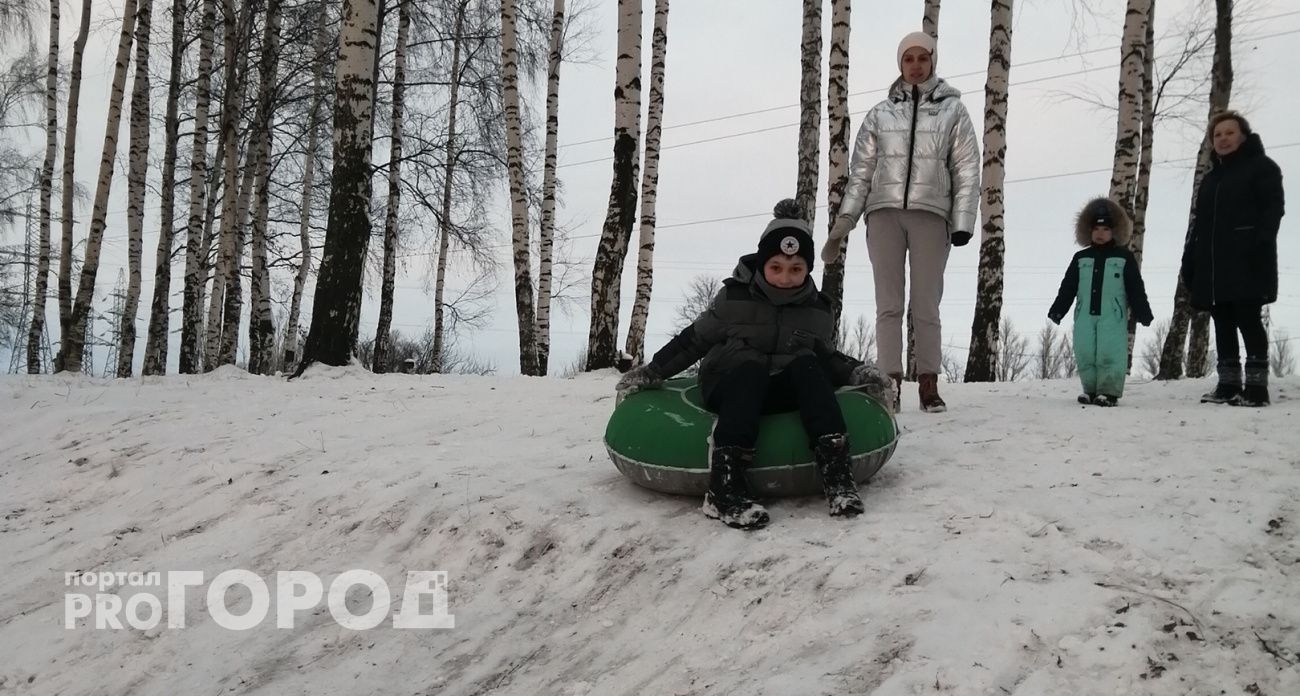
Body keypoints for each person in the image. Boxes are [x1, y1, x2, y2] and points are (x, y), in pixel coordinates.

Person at [617, 199, 896, 530]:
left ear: (808, 270)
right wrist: (653, 371)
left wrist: (857, 371)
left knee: (808, 365)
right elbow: (694, 340)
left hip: (779, 389)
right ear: (762, 263)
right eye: (776, 267)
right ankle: (724, 489)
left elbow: (825, 355)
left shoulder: (817, 310)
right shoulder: (734, 299)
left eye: (796, 269)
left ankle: (837, 475)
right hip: (730, 385)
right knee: (750, 368)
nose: (785, 278)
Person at [819, 30, 980, 414]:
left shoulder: (953, 111)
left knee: (926, 305)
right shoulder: (881, 114)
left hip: (931, 215)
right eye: (909, 59)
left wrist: (963, 220)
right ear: (900, 64)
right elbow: (861, 172)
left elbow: (967, 167)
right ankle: (888, 384)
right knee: (888, 305)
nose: (915, 66)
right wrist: (846, 219)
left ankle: (928, 383)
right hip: (883, 215)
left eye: (922, 58)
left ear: (933, 61)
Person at [1180, 110, 1286, 407]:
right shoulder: (1211, 179)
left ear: (1243, 136)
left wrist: (1261, 242)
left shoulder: (1261, 167)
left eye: (1229, 132)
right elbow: (1199, 224)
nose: (1223, 139)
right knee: (1222, 320)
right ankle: (1228, 385)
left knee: (1248, 318)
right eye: (1217, 135)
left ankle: (1256, 389)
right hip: (1213, 265)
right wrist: (1190, 258)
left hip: (1247, 258)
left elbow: (1273, 208)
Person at [1048, 198, 1153, 407]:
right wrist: (1058, 309)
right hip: (1084, 315)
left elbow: (1135, 287)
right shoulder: (1080, 258)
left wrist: (1143, 312)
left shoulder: (1123, 257)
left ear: (1114, 231)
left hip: (1112, 316)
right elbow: (1068, 287)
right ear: (1089, 231)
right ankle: (1090, 389)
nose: (1100, 233)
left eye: (1105, 229)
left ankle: (1109, 392)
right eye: (1096, 229)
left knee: (1109, 352)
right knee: (1085, 351)